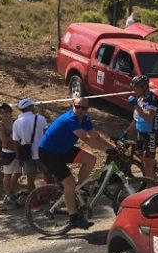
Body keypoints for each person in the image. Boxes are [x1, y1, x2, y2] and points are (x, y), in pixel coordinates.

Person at [38, 98, 116, 230]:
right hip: (48, 152)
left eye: (83, 108)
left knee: (91, 159)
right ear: (72, 106)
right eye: (77, 106)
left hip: (63, 149)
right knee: (69, 183)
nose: (80, 110)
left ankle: (80, 188)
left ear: (87, 109)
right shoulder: (71, 120)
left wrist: (113, 147)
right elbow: (87, 140)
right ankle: (73, 217)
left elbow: (95, 136)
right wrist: (106, 150)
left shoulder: (85, 119)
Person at [121, 75, 158, 179]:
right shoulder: (139, 99)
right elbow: (136, 118)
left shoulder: (152, 98)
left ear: (144, 87)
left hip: (151, 133)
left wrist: (135, 105)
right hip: (141, 133)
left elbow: (148, 117)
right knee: (144, 161)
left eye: (136, 87)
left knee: (148, 166)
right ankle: (152, 172)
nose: (134, 90)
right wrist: (127, 132)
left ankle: (151, 189)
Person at [13, 97, 50, 195]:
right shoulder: (40, 119)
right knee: (48, 174)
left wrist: (18, 156)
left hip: (27, 153)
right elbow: (47, 134)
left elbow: (16, 141)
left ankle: (33, 203)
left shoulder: (16, 123)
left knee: (30, 180)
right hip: (42, 152)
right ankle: (51, 195)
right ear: (29, 107)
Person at [0, 103, 21, 206]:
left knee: (19, 173)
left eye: (7, 111)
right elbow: (4, 140)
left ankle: (10, 192)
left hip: (17, 152)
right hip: (7, 153)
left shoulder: (15, 122)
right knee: (7, 175)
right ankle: (9, 194)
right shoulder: (0, 125)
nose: (5, 114)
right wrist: (15, 138)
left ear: (10, 112)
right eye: (2, 112)